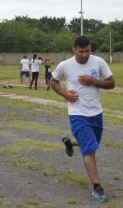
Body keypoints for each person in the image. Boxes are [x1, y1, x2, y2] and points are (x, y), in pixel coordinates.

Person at [50, 36, 115, 202]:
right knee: (89, 149)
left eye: (88, 50)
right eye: (81, 51)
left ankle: (69, 142)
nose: (85, 54)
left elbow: (111, 83)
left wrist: (93, 81)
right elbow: (53, 82)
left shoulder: (99, 62)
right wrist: (65, 94)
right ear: (74, 50)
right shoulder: (65, 65)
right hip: (77, 113)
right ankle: (97, 188)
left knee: (91, 143)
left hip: (96, 112)